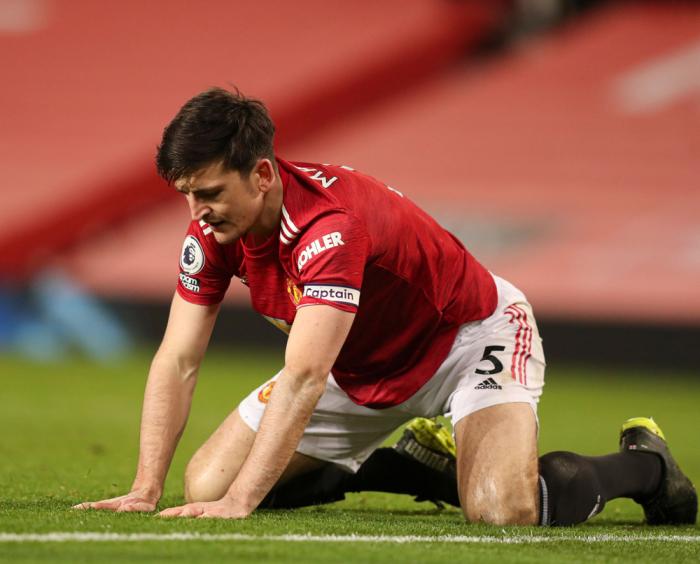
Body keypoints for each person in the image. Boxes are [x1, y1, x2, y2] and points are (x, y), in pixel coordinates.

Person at [74, 88, 696, 526]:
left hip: (465, 339)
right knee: (206, 482)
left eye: (209, 192)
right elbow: (178, 358)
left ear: (261, 174)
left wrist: (241, 505)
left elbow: (305, 375)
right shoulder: (214, 231)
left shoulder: (330, 226)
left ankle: (644, 467)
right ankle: (417, 466)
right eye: (187, 195)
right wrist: (145, 487)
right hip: (358, 363)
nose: (197, 213)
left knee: (503, 511)